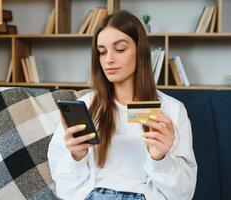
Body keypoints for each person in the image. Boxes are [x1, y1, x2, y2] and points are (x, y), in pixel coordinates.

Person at [48, 10, 197, 200]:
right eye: (102, 52)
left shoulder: (172, 110)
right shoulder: (85, 106)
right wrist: (77, 157)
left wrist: (160, 159)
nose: (109, 59)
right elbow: (65, 190)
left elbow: (184, 194)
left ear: (140, 51)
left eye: (119, 49)